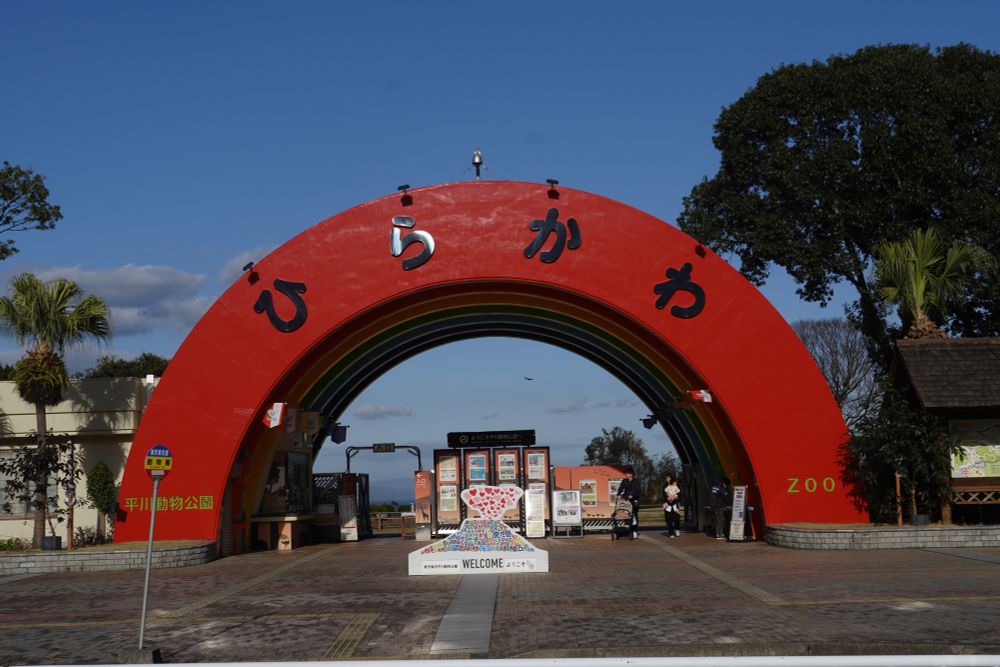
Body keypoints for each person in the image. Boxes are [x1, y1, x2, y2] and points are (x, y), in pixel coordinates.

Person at [616, 466, 643, 539]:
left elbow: (638, 490)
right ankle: (628, 530)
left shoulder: (636, 481)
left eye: (627, 473)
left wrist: (632, 495)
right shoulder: (624, 481)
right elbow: (621, 488)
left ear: (631, 474)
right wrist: (618, 494)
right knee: (626, 514)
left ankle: (635, 531)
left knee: (634, 515)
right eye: (626, 473)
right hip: (626, 500)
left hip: (634, 500)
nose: (626, 475)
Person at [662, 474, 681, 538]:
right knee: (668, 519)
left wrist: (675, 496)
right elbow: (663, 494)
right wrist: (667, 498)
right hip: (667, 505)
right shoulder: (665, 486)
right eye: (666, 478)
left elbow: (679, 493)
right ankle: (671, 533)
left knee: (676, 518)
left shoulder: (676, 485)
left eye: (668, 478)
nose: (667, 479)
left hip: (675, 504)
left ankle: (677, 529)